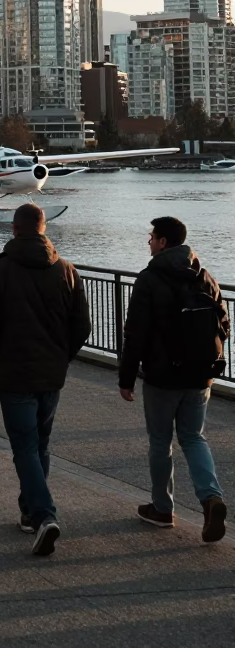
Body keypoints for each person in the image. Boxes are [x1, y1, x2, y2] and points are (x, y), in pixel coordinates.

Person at [0, 203, 91, 557]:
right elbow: (82, 326)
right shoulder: (67, 270)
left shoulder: (0, 270)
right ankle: (28, 510)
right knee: (40, 443)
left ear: (14, 229)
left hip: (15, 372)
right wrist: (62, 357)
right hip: (51, 374)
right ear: (43, 227)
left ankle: (43, 515)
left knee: (24, 446)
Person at [119, 215, 229, 541]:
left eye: (152, 237)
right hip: (200, 376)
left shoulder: (150, 279)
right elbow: (223, 323)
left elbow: (135, 334)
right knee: (194, 438)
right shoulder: (204, 276)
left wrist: (126, 378)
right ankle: (211, 499)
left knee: (160, 441)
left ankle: (162, 509)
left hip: (162, 377)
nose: (149, 241)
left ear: (163, 242)